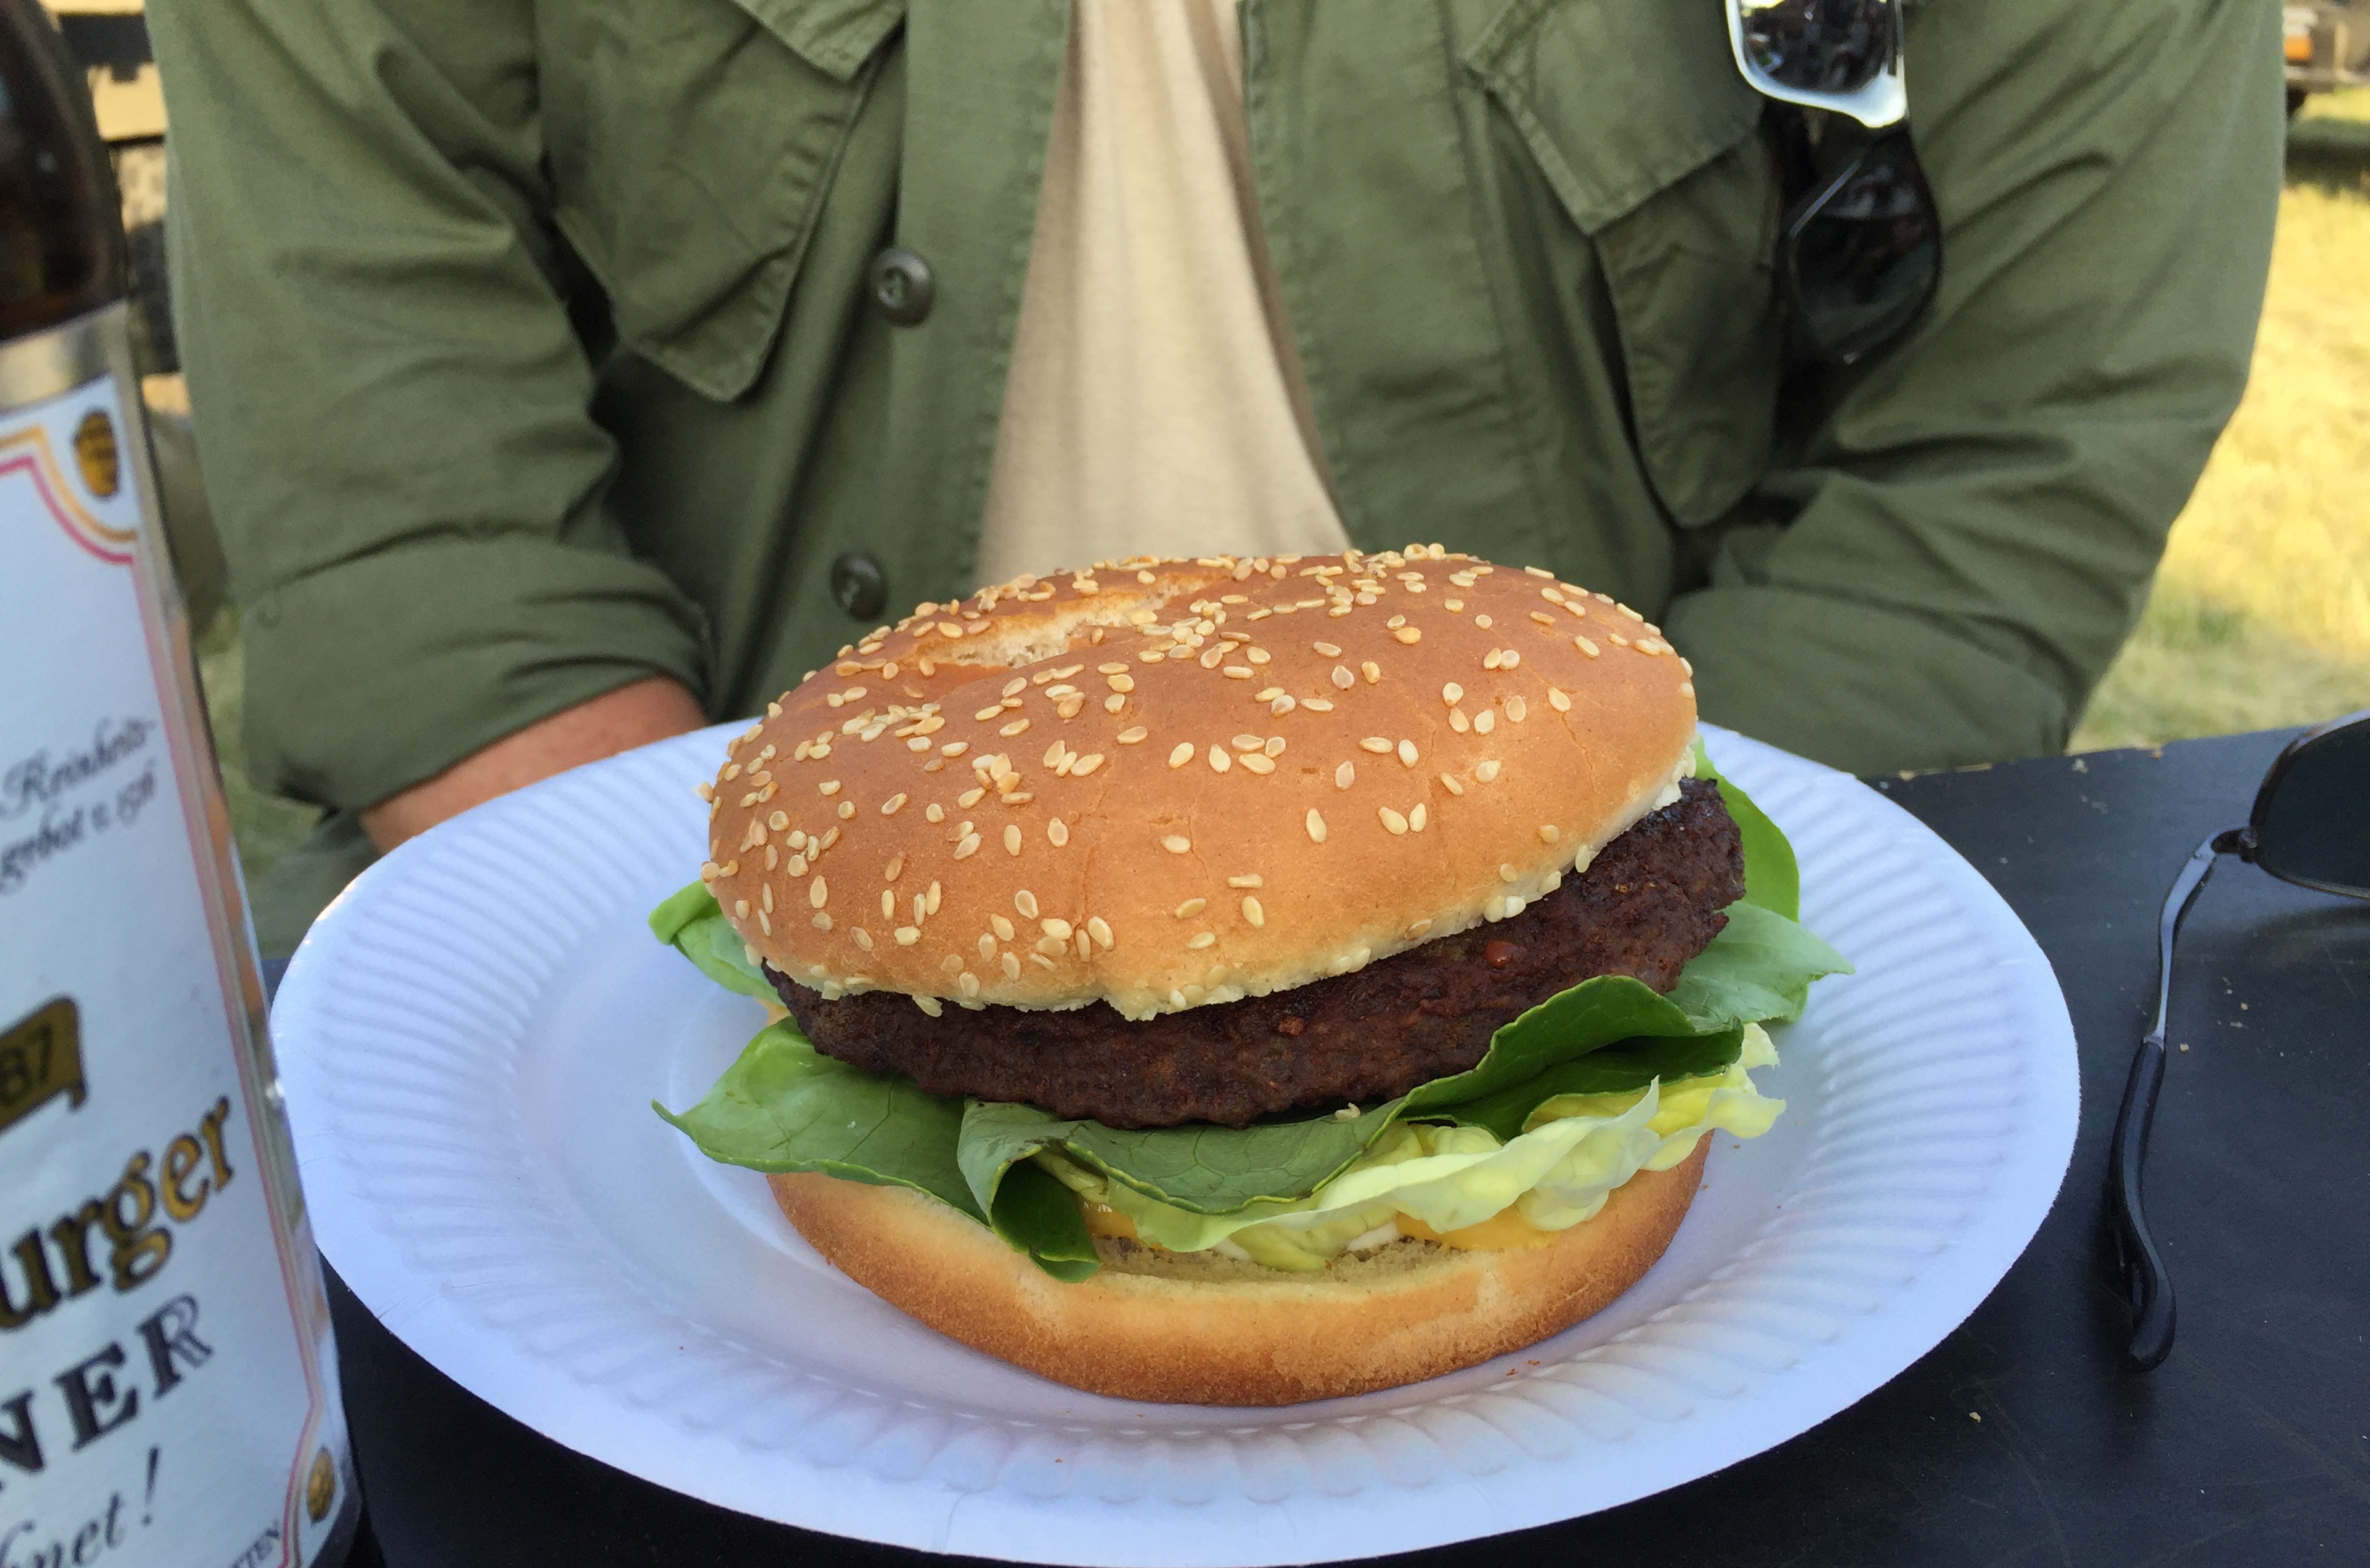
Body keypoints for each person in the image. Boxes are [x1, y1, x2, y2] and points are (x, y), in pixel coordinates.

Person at [148, 0, 2282, 952]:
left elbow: (2010, 443)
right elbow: (403, 454)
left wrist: (1566, 967)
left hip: (1619, 931)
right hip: (690, 936)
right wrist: (724, 993)